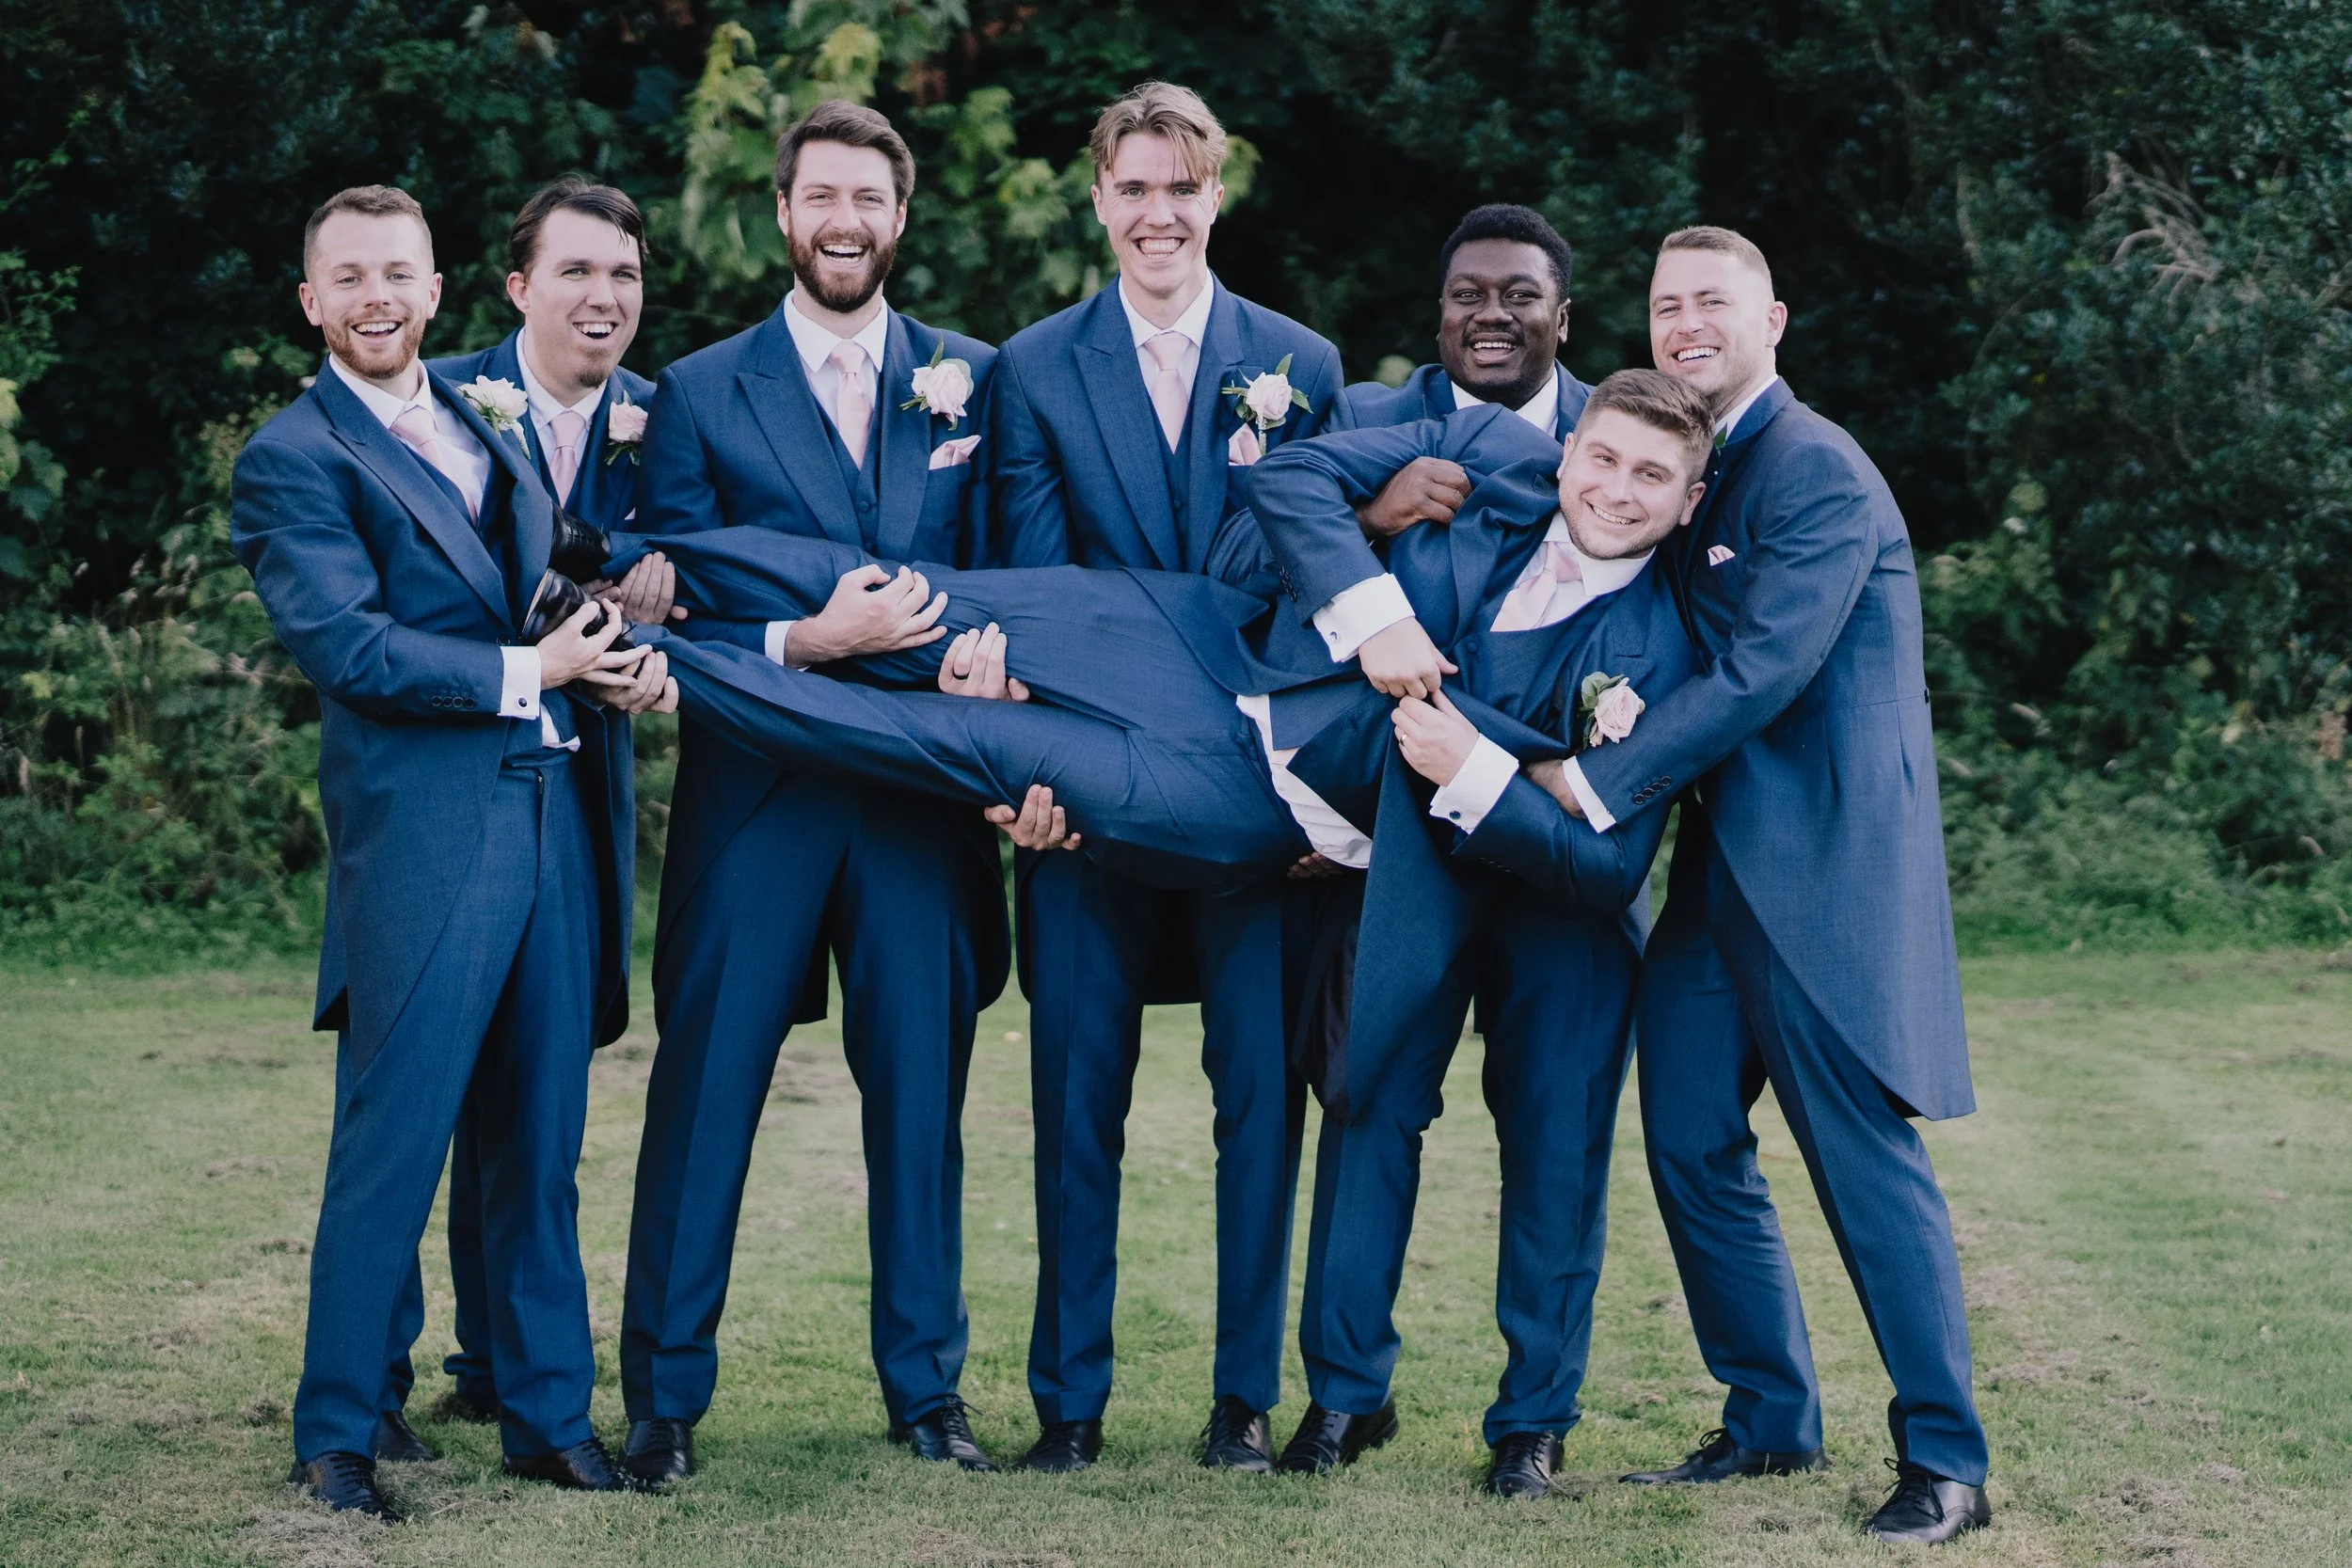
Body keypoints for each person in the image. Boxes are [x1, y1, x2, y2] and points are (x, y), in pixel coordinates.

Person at [231, 185, 675, 1521]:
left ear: (436, 294)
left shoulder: (482, 425)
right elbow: (347, 643)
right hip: (424, 832)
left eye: (398, 275)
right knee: (397, 1133)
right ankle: (339, 1430)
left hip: (549, 811)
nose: (376, 297)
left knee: (539, 1136)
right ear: (314, 303)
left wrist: (609, 657)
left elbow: (532, 576)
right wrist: (527, 665)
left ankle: (547, 1417)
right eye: (349, 277)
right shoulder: (293, 457)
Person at [1550, 227, 1992, 1546]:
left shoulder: (1817, 473)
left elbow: (1761, 677)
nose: (1686, 322)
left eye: (1713, 303)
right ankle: (1769, 1416)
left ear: (1773, 320)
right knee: (1687, 1135)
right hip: (1720, 874)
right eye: (1667, 304)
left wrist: (1590, 783)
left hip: (1825, 870)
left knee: (1862, 1160)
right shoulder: (1697, 463)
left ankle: (1947, 1463)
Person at [614, 101, 1010, 1483]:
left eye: (871, 199)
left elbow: (1015, 579)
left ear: (901, 219)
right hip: (759, 794)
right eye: (821, 195)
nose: (845, 220)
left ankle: (929, 1389)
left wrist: (991, 676)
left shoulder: (974, 378)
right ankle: (663, 1397)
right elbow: (662, 606)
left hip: (922, 798)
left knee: (922, 1101)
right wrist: (797, 641)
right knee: (708, 1084)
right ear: (783, 213)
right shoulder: (698, 390)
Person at [985, 80, 1345, 1473]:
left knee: (1261, 1098)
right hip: (1088, 804)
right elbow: (1029, 592)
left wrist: (1316, 790)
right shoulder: (1032, 366)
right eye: (1133, 188)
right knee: (1077, 1098)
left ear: (1217, 197)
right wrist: (1033, 772)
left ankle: (1244, 1398)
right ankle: (1067, 1404)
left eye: (1181, 189)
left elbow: (1321, 590)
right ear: (1100, 199)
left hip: (1257, 802)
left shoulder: (1299, 361)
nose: (1158, 213)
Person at [384, 175, 660, 1439]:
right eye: (578, 272)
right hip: (442, 794)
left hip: (578, 786)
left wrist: (671, 605)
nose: (603, 297)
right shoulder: (434, 406)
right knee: (414, 1102)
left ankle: (508, 1368)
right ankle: (373, 1373)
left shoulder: (664, 422)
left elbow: (699, 556)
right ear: (515, 287)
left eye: (624, 275)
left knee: (541, 1100)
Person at [1340, 204, 1593, 540]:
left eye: (1519, 295)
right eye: (1468, 295)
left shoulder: (1622, 429)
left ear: (1561, 320)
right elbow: (1255, 550)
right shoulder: (1364, 419)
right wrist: (1369, 520)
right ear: (1443, 315)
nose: (1491, 315)